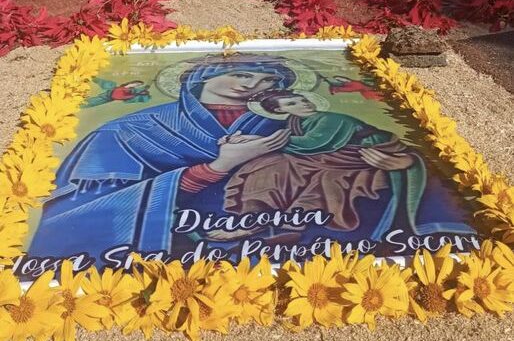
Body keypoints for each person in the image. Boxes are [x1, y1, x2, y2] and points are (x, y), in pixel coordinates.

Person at [28, 55, 296, 262]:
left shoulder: (289, 124)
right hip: (173, 240)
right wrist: (215, 168)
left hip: (268, 236)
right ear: (201, 78)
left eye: (268, 81)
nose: (252, 85)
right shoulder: (126, 130)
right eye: (241, 74)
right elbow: (79, 211)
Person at [220, 90, 474, 241]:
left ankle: (292, 225)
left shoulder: (332, 117)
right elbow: (297, 144)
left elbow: (314, 143)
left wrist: (259, 141)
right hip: (331, 153)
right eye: (292, 104)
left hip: (362, 152)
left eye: (301, 99)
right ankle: (254, 219)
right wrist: (253, 142)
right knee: (266, 167)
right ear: (278, 111)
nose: (303, 104)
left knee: (325, 179)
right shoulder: (294, 122)